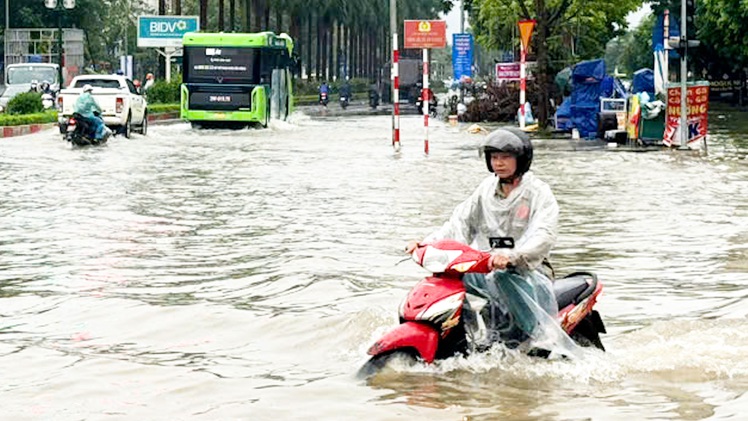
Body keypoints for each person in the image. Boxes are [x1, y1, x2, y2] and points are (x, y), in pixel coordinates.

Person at [404, 128, 573, 354]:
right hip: (488, 264)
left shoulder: (538, 193)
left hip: (529, 269)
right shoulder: (485, 190)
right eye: (494, 157)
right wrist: (426, 244)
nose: (499, 163)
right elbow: (458, 224)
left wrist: (513, 257)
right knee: (451, 274)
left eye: (505, 157)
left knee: (503, 275)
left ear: (521, 159)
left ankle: (538, 335)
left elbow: (543, 234)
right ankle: (464, 335)